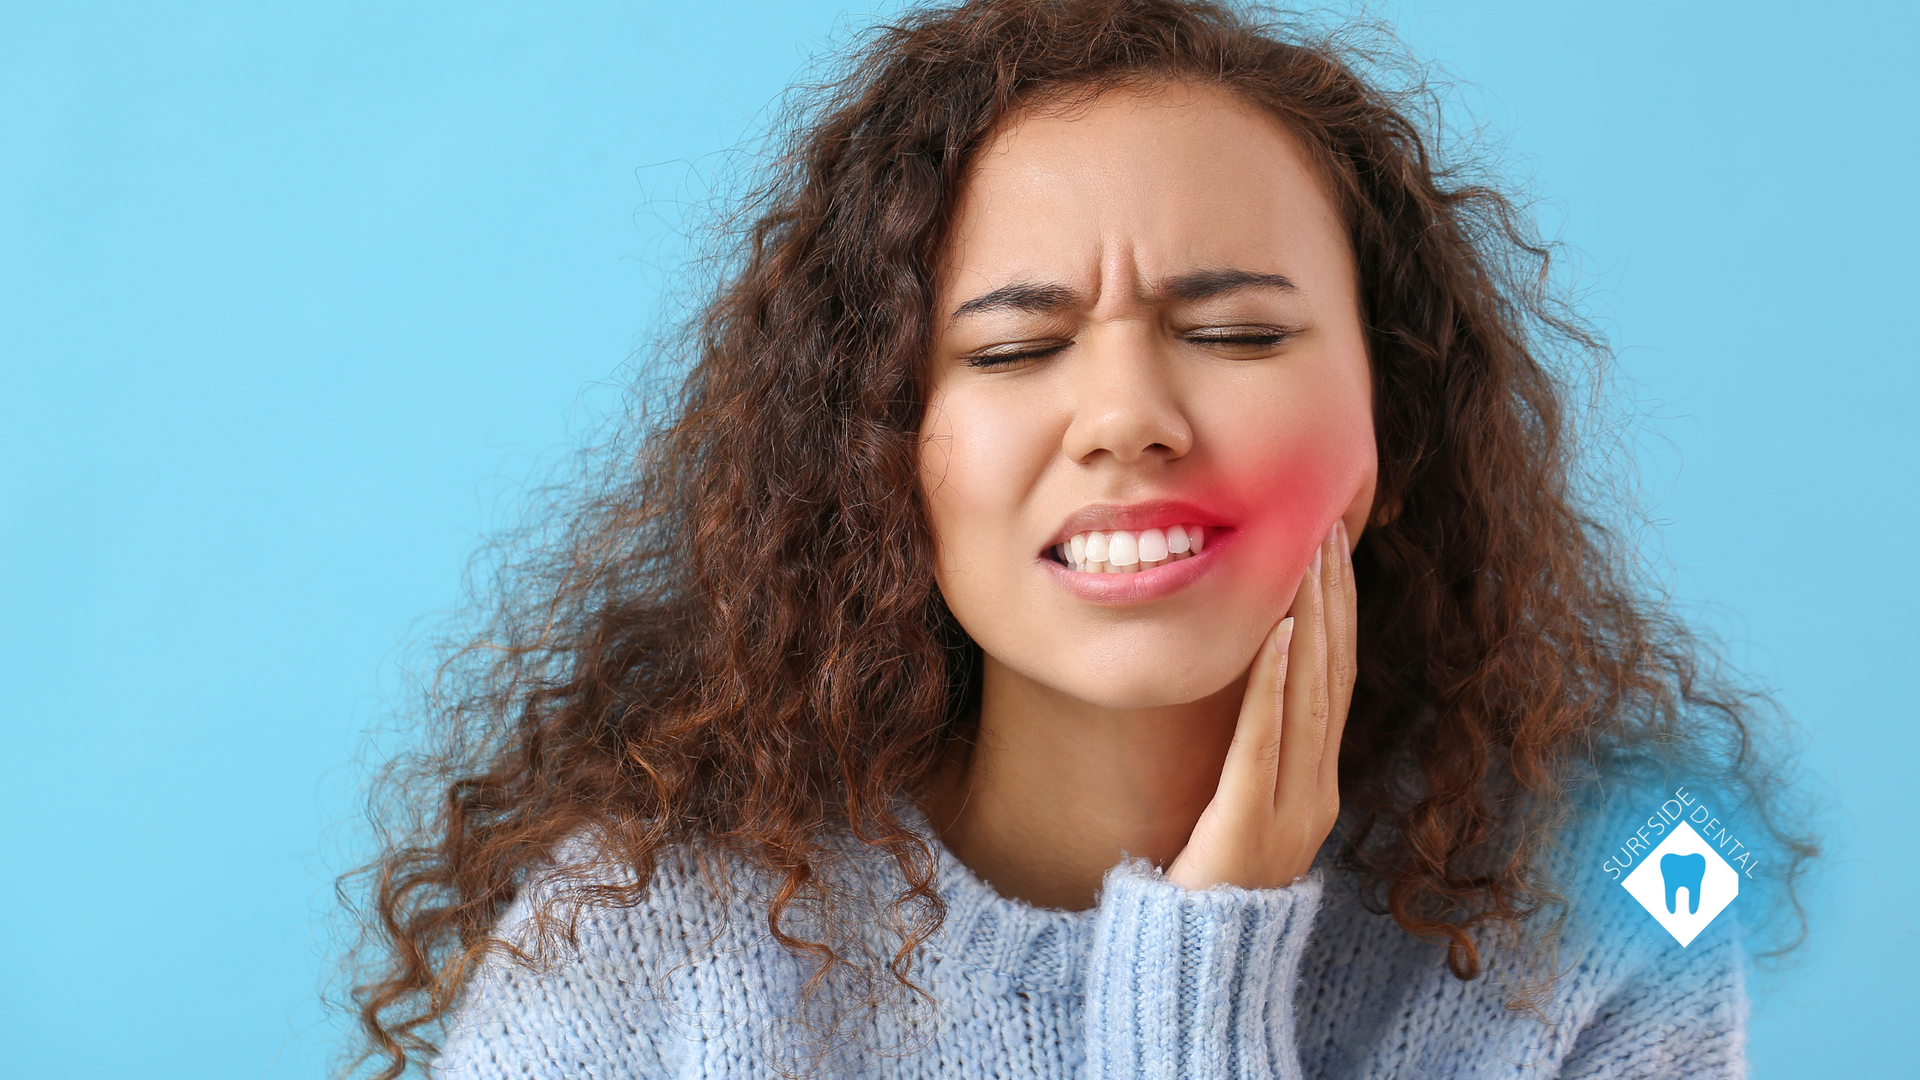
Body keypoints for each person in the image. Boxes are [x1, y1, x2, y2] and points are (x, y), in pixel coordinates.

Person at [342, 1, 1818, 1076]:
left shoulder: (1609, 917)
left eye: (1237, 330)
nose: (1126, 417)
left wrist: (1207, 980)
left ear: (1392, 417)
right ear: (879, 457)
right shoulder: (635, 947)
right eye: (1009, 350)